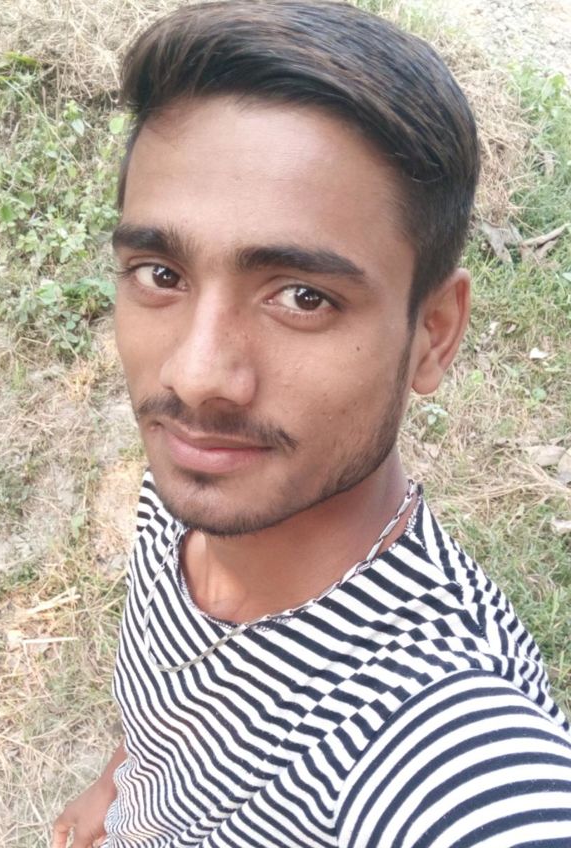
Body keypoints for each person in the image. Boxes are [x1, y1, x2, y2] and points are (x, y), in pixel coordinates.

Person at [52, 1, 571, 845]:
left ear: (433, 335)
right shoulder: (202, 474)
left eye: (303, 296)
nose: (195, 376)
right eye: (160, 273)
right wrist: (120, 787)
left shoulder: (437, 730)